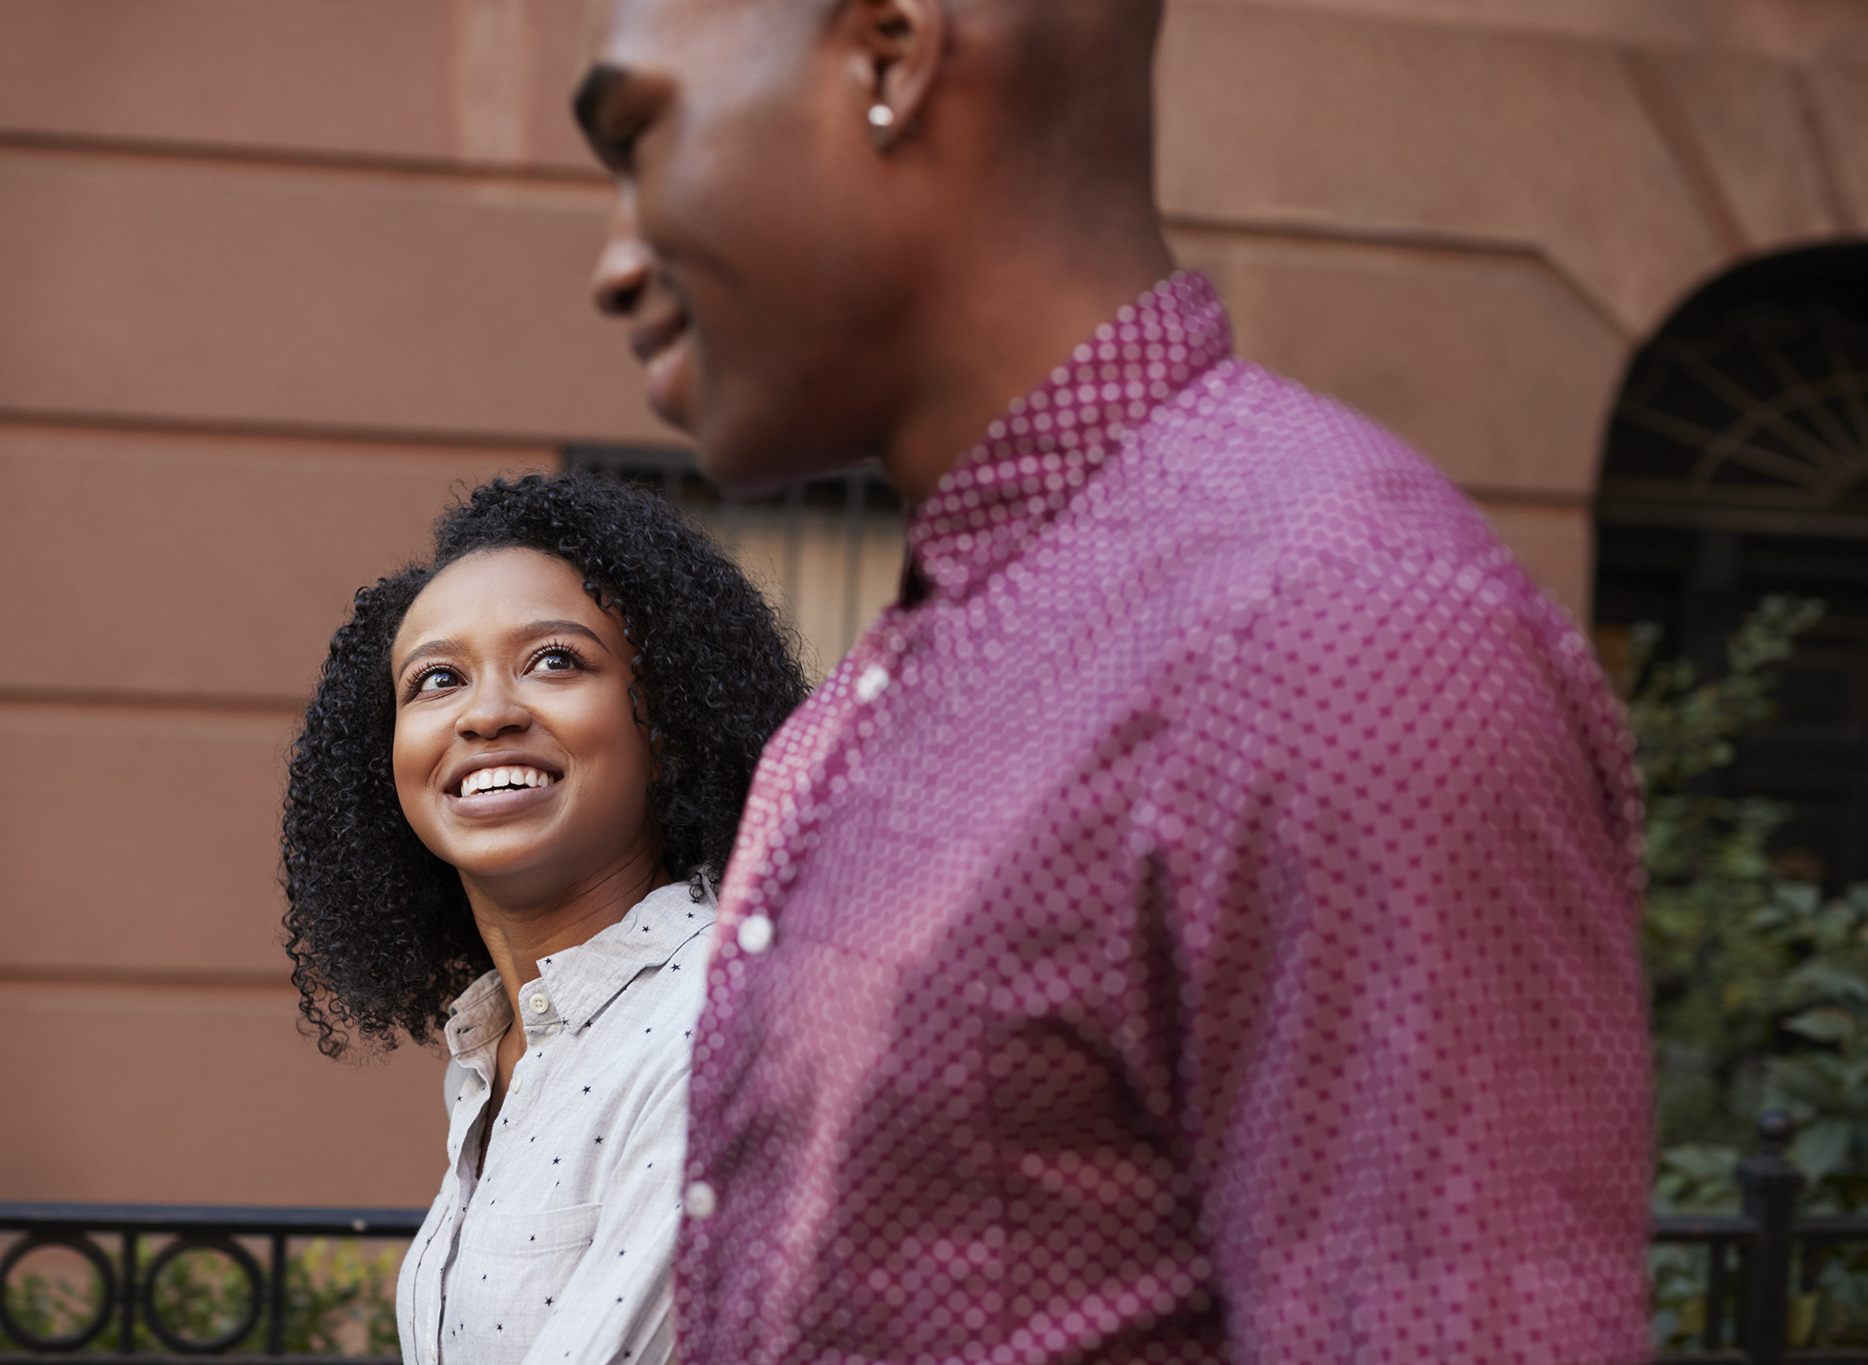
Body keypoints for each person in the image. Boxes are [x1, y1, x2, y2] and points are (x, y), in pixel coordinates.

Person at [574, 1, 1652, 1362]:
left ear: (893, 51)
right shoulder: (865, 704)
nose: (612, 265)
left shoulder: (1336, 640)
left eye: (636, 137)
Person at [280, 473, 807, 1365]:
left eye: (556, 659)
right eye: (437, 679)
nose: (487, 714)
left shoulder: (719, 1029)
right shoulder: (506, 1047)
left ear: (666, 726)